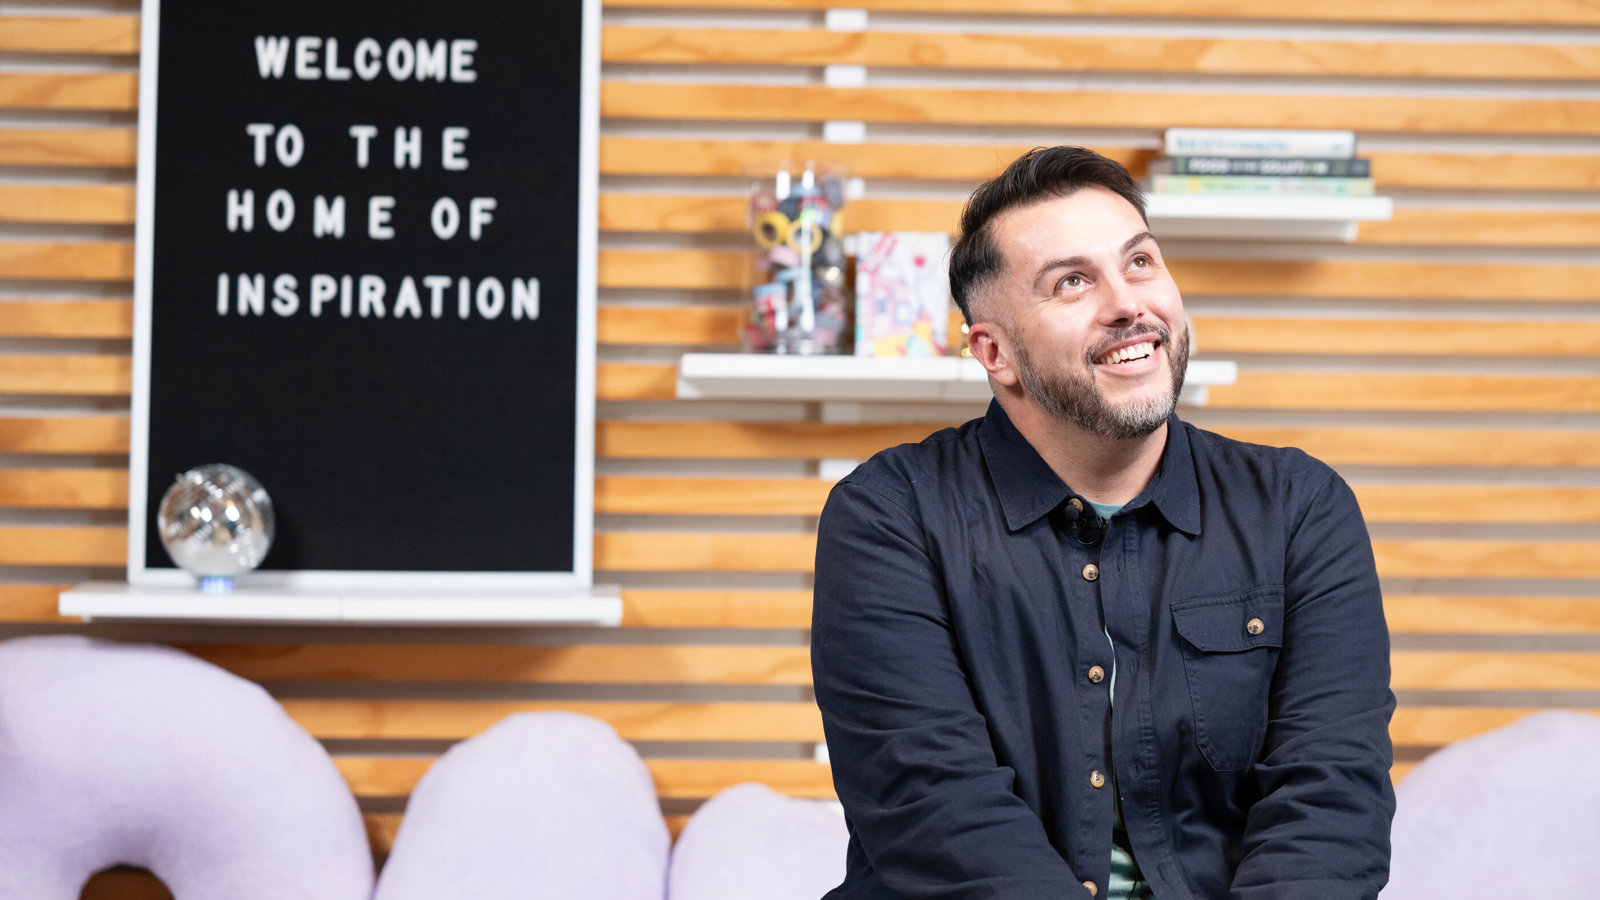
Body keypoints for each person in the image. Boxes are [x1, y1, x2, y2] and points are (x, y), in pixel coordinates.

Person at [810, 146, 1395, 900]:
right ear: (996, 352)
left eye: (1141, 263)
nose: (1128, 303)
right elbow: (937, 814)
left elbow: (1330, 804)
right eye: (1073, 282)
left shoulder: (1298, 507)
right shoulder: (889, 515)